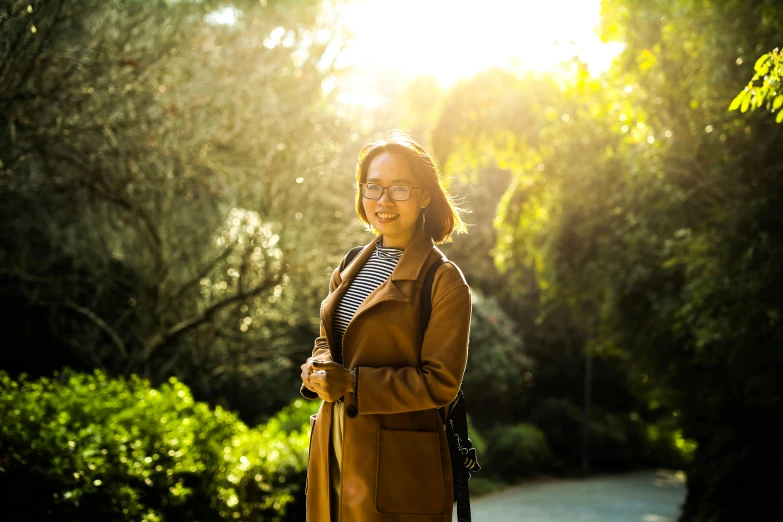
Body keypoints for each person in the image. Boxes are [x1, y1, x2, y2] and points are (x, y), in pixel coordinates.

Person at [299, 131, 472, 522]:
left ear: (425, 195)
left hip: (398, 468)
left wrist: (354, 385)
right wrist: (318, 368)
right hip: (333, 446)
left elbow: (441, 381)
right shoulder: (348, 264)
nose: (384, 200)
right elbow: (328, 339)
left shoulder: (444, 281)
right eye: (373, 187)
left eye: (399, 189)